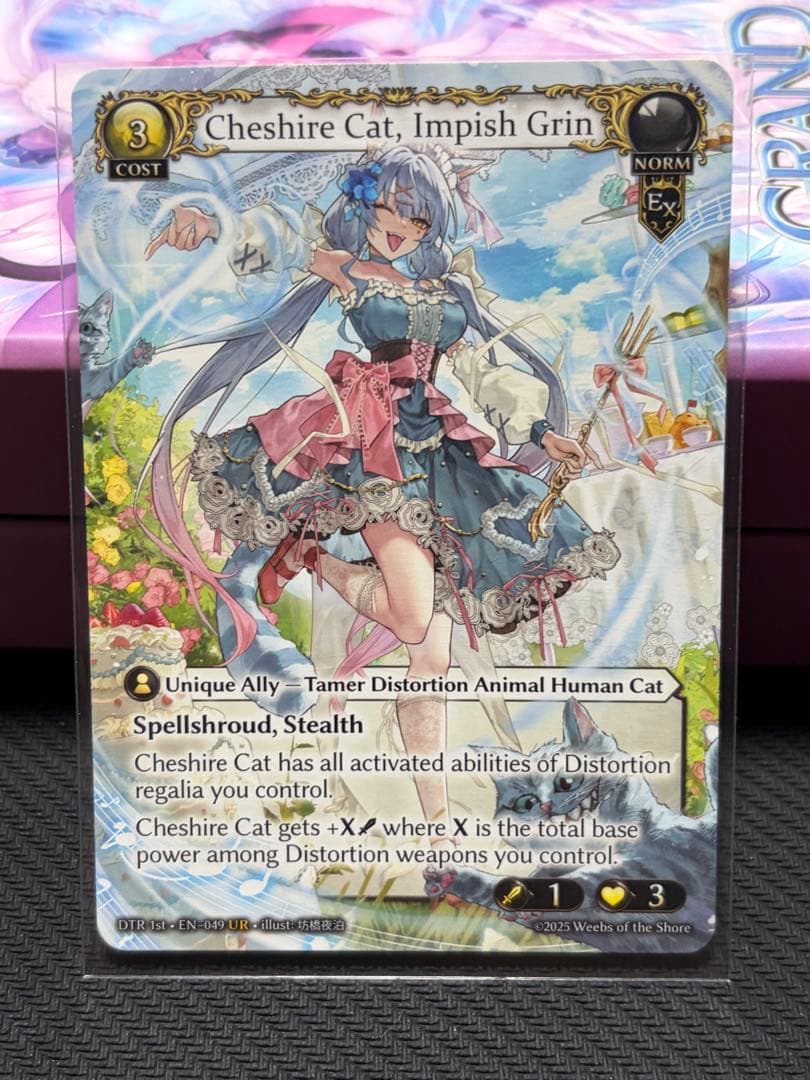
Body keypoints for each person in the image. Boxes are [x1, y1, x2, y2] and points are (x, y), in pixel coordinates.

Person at [144, 146, 619, 831]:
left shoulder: (452, 290)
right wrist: (208, 221)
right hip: (372, 447)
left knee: (431, 658)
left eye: (419, 218)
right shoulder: (346, 268)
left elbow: (486, 367)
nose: (402, 227)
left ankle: (435, 829)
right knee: (414, 619)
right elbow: (273, 242)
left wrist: (543, 433)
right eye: (392, 208)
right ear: (365, 204)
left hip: (442, 451)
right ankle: (316, 557)